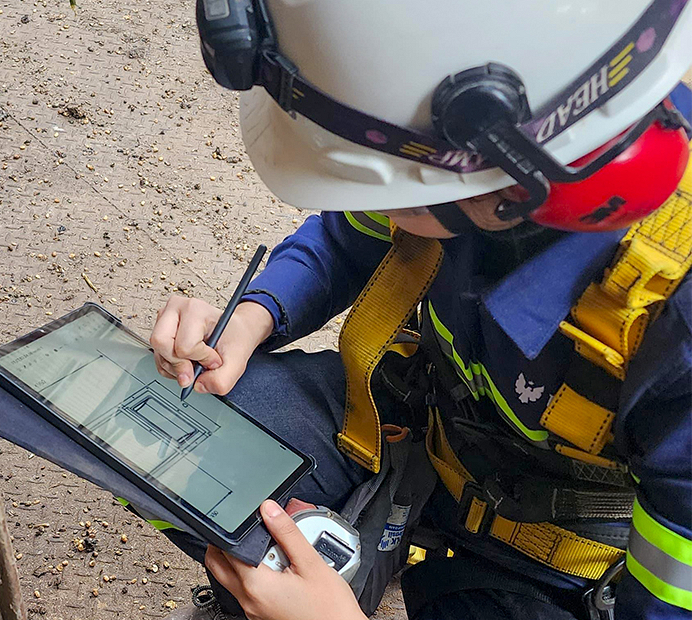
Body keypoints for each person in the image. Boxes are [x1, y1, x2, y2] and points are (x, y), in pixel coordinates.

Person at [147, 2, 692, 618]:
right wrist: (251, 318)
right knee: (165, 440)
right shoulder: (494, 148)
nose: (375, 204)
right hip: (414, 422)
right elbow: (348, 238)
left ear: (512, 186)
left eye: (393, 189)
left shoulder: (676, 322)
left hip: (547, 557)